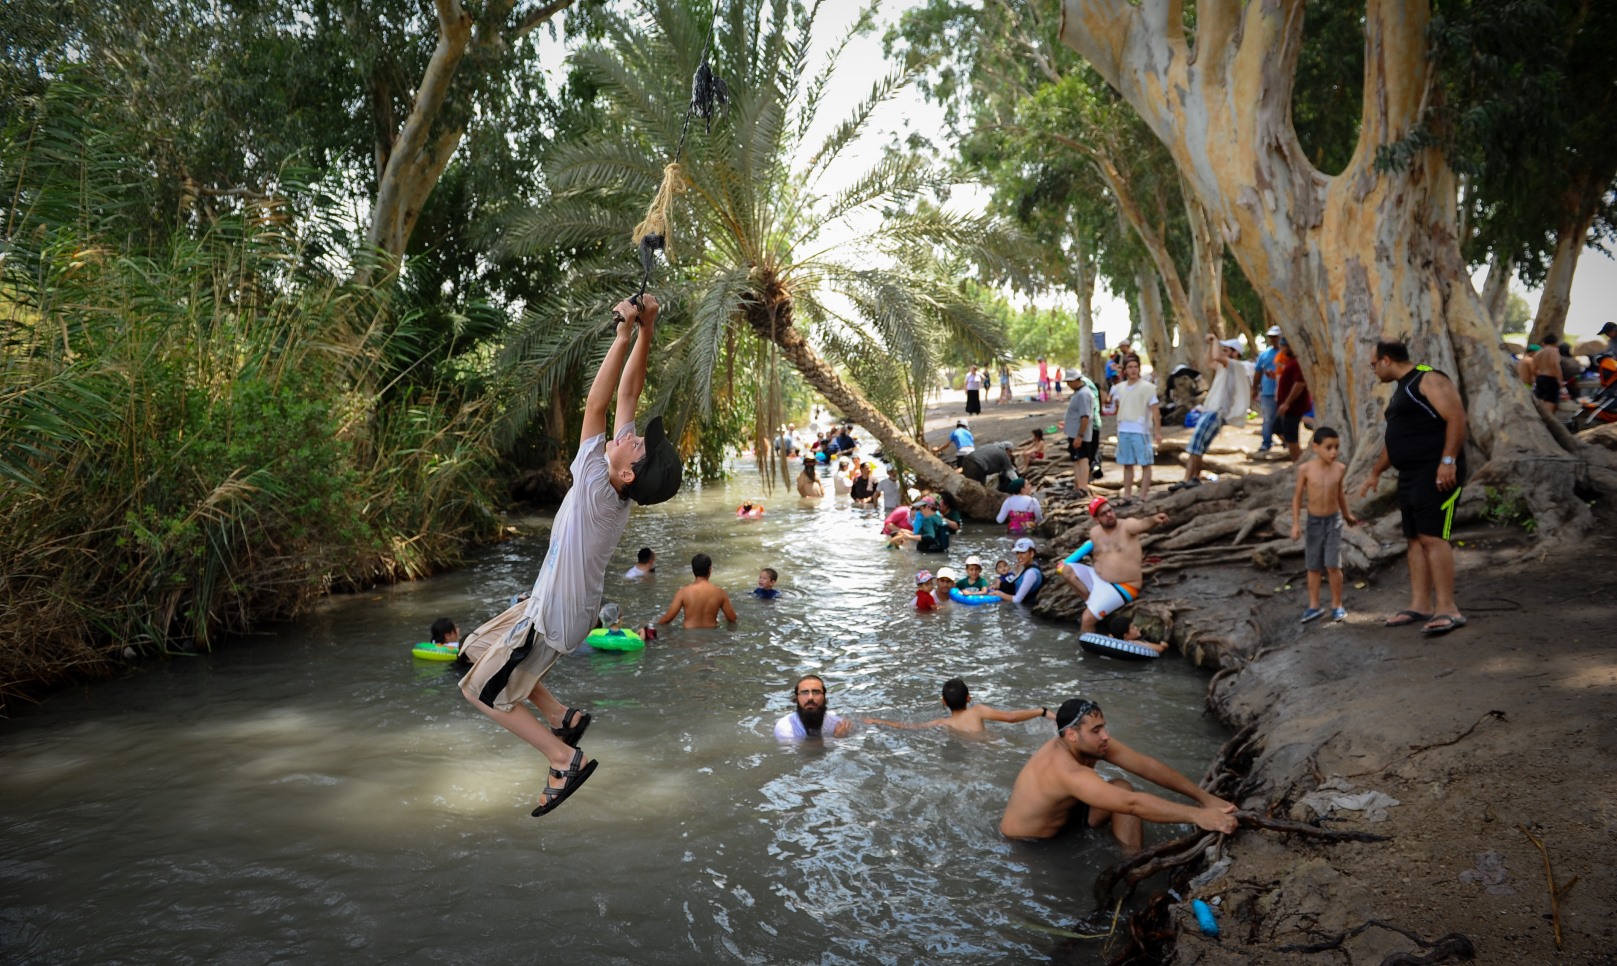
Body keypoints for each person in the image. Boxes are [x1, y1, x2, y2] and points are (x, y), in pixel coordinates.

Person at [458, 293, 682, 817]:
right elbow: (626, 397)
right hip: (549, 603)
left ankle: (563, 758)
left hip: (557, 616)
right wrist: (646, 328)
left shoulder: (597, 487)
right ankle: (562, 715)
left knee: (478, 692)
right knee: (472, 648)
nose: (631, 436)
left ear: (627, 473)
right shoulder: (614, 473)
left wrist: (624, 333)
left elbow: (598, 406)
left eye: (638, 445)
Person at [999, 699, 1238, 848]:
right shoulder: (1066, 770)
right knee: (1125, 797)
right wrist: (1198, 816)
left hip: (1066, 814)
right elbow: (1132, 804)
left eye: (1103, 726)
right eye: (1096, 730)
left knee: (1121, 785)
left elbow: (1146, 766)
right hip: (1030, 843)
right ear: (1071, 734)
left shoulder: (1089, 743)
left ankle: (1131, 860)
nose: (1106, 735)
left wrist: (1203, 798)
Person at [1359, 340, 1467, 635]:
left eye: (1373, 364)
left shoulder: (1428, 378)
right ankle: (1420, 604)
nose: (1373, 371)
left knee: (1433, 536)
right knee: (1415, 539)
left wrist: (1448, 460)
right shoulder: (1403, 388)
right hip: (1410, 474)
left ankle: (1448, 608)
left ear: (1386, 360)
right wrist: (1375, 472)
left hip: (1435, 472)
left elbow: (1457, 417)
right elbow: (1398, 439)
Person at [1057, 497, 1168, 634]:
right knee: (1067, 570)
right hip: (1098, 580)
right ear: (1097, 520)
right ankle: (1091, 601)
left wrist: (1153, 520)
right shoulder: (1094, 533)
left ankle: (1085, 654)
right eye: (1103, 514)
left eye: (1110, 510)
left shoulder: (1127, 526)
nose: (1109, 515)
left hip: (1123, 586)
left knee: (1087, 619)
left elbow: (1141, 524)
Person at [1290, 427, 1359, 623]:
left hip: (1333, 522)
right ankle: (1314, 606)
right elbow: (1297, 498)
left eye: (1336, 447)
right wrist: (1296, 524)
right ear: (1316, 448)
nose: (1333, 452)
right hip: (1314, 522)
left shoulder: (1340, 468)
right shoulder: (1306, 469)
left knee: (1333, 565)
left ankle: (1337, 605)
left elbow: (1339, 494)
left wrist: (1347, 515)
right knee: (1313, 566)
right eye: (1328, 447)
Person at [1174, 335, 1250, 490]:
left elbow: (1215, 357)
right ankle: (1192, 478)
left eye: (1227, 350)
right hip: (1212, 411)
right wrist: (1211, 345)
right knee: (1197, 445)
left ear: (1235, 353)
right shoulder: (1227, 367)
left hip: (1216, 412)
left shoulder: (1235, 365)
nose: (1223, 352)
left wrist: (1215, 340)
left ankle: (1189, 478)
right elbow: (1209, 361)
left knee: (1196, 445)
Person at [868, 679, 1056, 734]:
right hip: (991, 748)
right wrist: (1042, 711)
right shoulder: (978, 711)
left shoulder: (943, 723)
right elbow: (1011, 718)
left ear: (943, 701)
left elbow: (908, 727)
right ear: (969, 698)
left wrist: (875, 720)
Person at [1111, 357, 1161, 503]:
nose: (1133, 370)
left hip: (1141, 430)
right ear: (1125, 370)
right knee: (1127, 463)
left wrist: (1157, 431)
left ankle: (1143, 495)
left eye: (1135, 367)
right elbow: (1116, 406)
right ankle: (1127, 494)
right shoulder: (1119, 388)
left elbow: (1155, 411)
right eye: (1130, 367)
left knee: (1145, 463)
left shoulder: (1148, 388)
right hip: (1124, 428)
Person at [657, 552, 738, 628]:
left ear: (693, 570)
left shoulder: (683, 592)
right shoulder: (720, 593)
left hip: (689, 638)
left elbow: (667, 619)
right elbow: (732, 618)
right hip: (712, 637)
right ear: (710, 569)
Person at [774, 674, 853, 739]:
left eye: (816, 692)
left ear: (824, 697)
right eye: (804, 692)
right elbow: (806, 752)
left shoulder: (838, 725)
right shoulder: (785, 726)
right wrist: (836, 739)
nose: (810, 697)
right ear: (797, 698)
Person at [1274, 336, 1310, 462]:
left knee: (1291, 438)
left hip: (1293, 408)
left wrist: (1287, 403)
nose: (1281, 349)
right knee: (1278, 429)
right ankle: (1298, 458)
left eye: (1283, 346)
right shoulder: (1290, 362)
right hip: (1287, 407)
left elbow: (1300, 384)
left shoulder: (1296, 363)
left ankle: (1298, 463)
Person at [1062, 370, 1096, 496]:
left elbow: (1085, 416)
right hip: (1073, 433)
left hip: (1079, 434)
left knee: (1082, 459)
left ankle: (1083, 486)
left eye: (1070, 382)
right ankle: (1078, 485)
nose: (1069, 385)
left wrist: (1080, 435)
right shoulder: (1078, 393)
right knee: (1076, 459)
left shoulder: (1084, 394)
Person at [1253, 325, 1283, 454]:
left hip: (1284, 393)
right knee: (1268, 419)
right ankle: (1266, 443)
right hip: (1268, 393)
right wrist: (1254, 388)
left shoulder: (1286, 353)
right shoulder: (1264, 355)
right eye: (1271, 337)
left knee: (1284, 419)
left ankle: (1287, 441)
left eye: (1275, 337)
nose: (1273, 339)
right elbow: (1258, 372)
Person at [991, 537, 1045, 605]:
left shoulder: (1031, 573)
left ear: (1031, 554)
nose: (1019, 556)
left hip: (1024, 612)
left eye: (1023, 552)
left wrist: (998, 593)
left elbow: (1017, 600)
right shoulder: (1029, 569)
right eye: (1018, 553)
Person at [1531, 333, 1563, 416]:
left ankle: (1540, 419)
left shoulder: (1538, 352)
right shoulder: (1554, 350)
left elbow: (1533, 369)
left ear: (1543, 343)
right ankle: (1548, 421)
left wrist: (1538, 377)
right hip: (1550, 378)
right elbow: (1555, 365)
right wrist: (1560, 380)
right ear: (1555, 342)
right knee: (1550, 402)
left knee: (1541, 400)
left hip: (1540, 378)